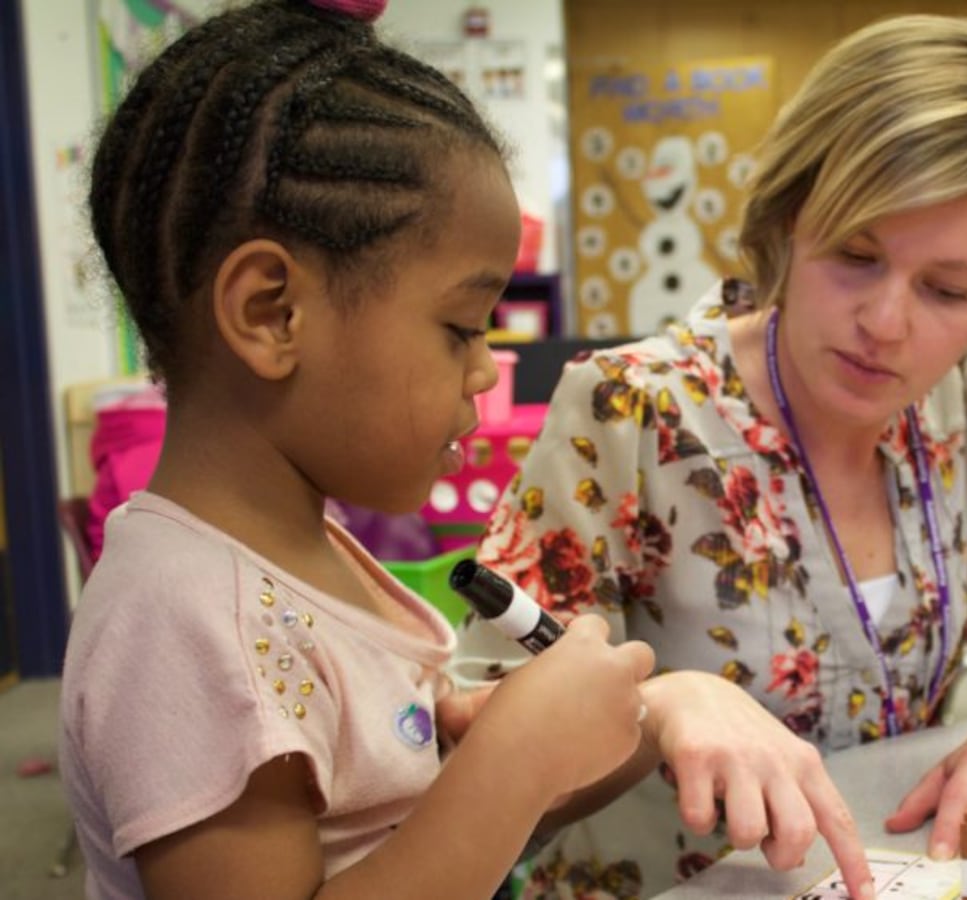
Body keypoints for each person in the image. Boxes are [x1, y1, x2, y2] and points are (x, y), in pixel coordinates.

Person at [466, 14, 967, 899]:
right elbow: (466, 732)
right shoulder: (630, 410)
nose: (887, 322)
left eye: (948, 289)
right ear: (790, 218)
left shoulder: (966, 401)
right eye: (855, 256)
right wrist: (655, 711)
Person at [59, 2, 657, 898]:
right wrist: (514, 764)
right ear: (272, 314)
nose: (485, 371)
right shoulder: (182, 623)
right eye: (459, 327)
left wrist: (620, 727)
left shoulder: (301, 552)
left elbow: (398, 838)